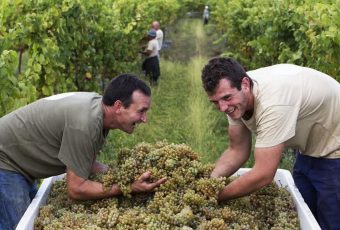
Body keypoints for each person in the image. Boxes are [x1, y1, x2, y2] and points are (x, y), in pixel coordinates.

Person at [0, 74, 166, 230]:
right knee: (19, 225)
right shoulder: (85, 125)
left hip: (19, 159)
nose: (145, 119)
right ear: (118, 106)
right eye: (141, 111)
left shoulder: (98, 113)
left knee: (30, 216)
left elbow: (83, 160)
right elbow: (76, 189)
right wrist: (128, 187)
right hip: (6, 161)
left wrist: (115, 173)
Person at [201, 57, 340, 229]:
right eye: (215, 102)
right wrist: (209, 183)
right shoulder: (237, 96)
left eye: (226, 98)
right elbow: (237, 150)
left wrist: (216, 196)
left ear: (245, 84)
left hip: (335, 149)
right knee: (307, 213)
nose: (222, 108)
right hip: (310, 145)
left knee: (331, 218)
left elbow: (264, 173)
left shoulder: (273, 103)